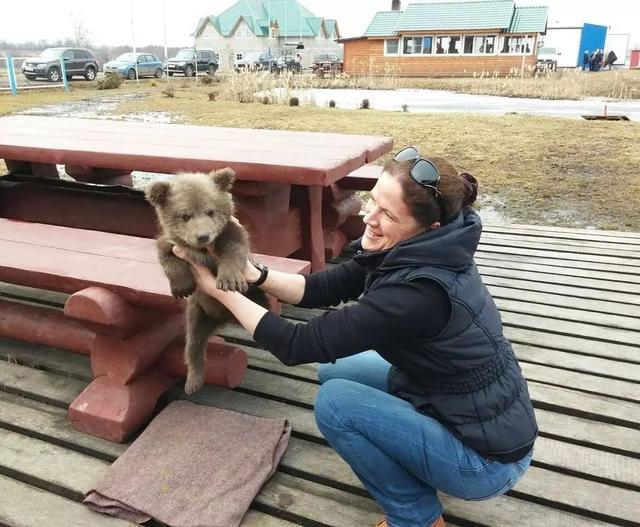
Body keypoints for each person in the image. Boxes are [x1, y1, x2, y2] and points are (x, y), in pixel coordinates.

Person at [173, 147, 538, 527]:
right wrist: (253, 273)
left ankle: (416, 517)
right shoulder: (428, 246)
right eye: (373, 201)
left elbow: (297, 345)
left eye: (388, 215)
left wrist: (219, 292)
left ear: (427, 227)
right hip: (456, 399)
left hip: (486, 462)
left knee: (336, 403)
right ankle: (417, 450)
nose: (369, 217)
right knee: (338, 371)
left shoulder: (416, 294)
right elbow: (324, 287)